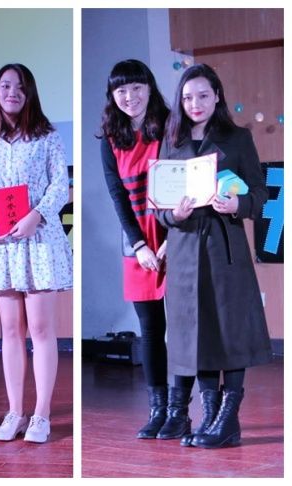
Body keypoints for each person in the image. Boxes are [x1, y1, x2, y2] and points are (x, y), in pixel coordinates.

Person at [155, 63, 272, 448]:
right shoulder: (172, 141)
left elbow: (260, 194)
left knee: (229, 330)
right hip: (185, 249)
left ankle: (229, 418)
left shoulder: (237, 138)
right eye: (188, 97)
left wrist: (238, 204)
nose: (195, 104)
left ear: (217, 95)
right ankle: (209, 416)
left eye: (203, 95)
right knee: (196, 332)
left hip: (224, 247)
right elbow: (158, 208)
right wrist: (174, 214)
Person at [0, 63, 72, 444]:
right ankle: (15, 412)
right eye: (5, 86)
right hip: (3, 244)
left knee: (41, 329)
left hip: (39, 239)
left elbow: (60, 185)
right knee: (11, 331)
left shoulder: (46, 136)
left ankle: (41, 415)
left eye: (20, 87)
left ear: (30, 93)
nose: (12, 92)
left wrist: (36, 216)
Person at [99, 59, 195, 440]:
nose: (130, 96)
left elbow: (190, 181)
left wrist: (174, 236)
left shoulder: (172, 126)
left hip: (177, 231)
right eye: (121, 90)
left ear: (150, 87)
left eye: (136, 87)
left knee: (183, 328)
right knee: (151, 329)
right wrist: (139, 245)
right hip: (137, 241)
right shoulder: (110, 137)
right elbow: (117, 196)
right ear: (112, 96)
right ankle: (158, 410)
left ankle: (180, 411)